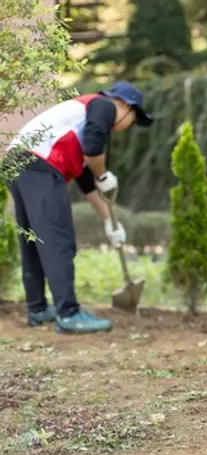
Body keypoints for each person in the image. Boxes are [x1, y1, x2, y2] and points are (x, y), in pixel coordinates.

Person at [2, 81, 153, 334]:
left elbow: (86, 181)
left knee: (35, 240)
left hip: (18, 162)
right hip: (38, 164)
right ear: (126, 106)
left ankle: (38, 309)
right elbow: (94, 149)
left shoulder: (79, 120)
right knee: (58, 239)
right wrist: (103, 174)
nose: (129, 127)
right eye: (134, 120)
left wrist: (109, 221)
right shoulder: (104, 106)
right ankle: (69, 314)